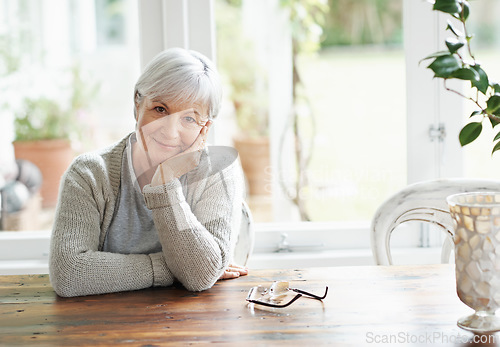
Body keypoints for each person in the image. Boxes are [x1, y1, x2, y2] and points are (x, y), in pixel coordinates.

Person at [49, 48, 248, 297]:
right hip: (102, 325)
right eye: (160, 109)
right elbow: (69, 273)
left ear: (205, 128)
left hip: (195, 327)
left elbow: (199, 278)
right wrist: (172, 268)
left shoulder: (217, 172)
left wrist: (165, 185)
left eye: (189, 119)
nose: (169, 132)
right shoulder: (88, 174)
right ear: (137, 102)